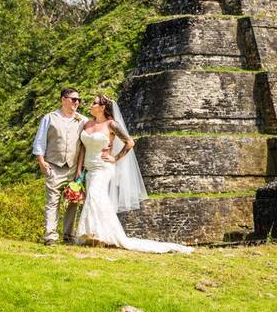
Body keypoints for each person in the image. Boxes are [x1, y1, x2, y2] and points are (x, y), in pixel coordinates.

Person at [73, 94, 193, 254]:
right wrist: (80, 169)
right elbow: (83, 148)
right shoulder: (87, 123)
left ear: (102, 108)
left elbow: (130, 142)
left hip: (103, 167)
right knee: (96, 198)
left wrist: (115, 158)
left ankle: (100, 235)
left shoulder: (112, 124)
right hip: (89, 169)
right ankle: (97, 235)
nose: (91, 104)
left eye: (94, 103)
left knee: (95, 195)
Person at [33, 87, 87, 245]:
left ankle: (68, 235)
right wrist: (41, 161)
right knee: (52, 201)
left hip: (73, 167)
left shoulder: (82, 120)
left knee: (73, 201)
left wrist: (79, 169)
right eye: (73, 99)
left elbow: (84, 144)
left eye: (79, 100)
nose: (77, 103)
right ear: (63, 99)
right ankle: (50, 236)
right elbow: (40, 140)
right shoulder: (49, 118)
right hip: (53, 166)